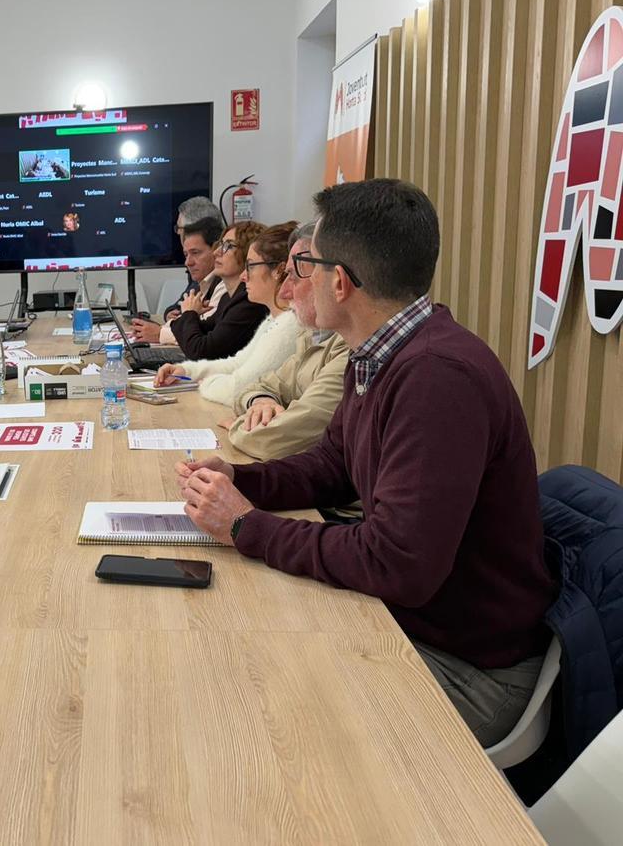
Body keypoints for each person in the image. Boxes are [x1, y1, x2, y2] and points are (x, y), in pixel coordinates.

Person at [177, 179, 556, 746]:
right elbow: (332, 465)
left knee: (253, 702)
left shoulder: (435, 377)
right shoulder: (382, 352)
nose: (293, 281)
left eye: (306, 266)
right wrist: (240, 480)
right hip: (417, 623)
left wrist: (245, 526)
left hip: (471, 671)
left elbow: (396, 561)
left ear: (340, 281)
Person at [224, 225, 350, 461]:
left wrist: (242, 424)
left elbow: (271, 439)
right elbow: (253, 387)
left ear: (337, 282)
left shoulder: (351, 349)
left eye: (292, 276)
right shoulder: (313, 336)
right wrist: (261, 402)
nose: (284, 292)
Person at [155, 222, 302, 407]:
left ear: (279, 271)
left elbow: (238, 386)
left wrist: (202, 382)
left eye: (250, 267)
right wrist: (186, 370)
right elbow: (236, 363)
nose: (244, 276)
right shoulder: (274, 319)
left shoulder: (289, 325)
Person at [168, 222, 270, 360]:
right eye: (221, 244)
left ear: (247, 254)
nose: (216, 252)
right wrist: (188, 316)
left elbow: (201, 351)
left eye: (228, 246)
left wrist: (189, 313)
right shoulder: (228, 298)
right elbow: (204, 332)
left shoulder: (249, 302)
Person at [131, 222, 223, 345]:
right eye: (186, 254)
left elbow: (205, 335)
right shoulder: (201, 283)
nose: (188, 262)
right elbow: (182, 317)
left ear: (216, 251)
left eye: (195, 253)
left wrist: (159, 333)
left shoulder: (224, 285)